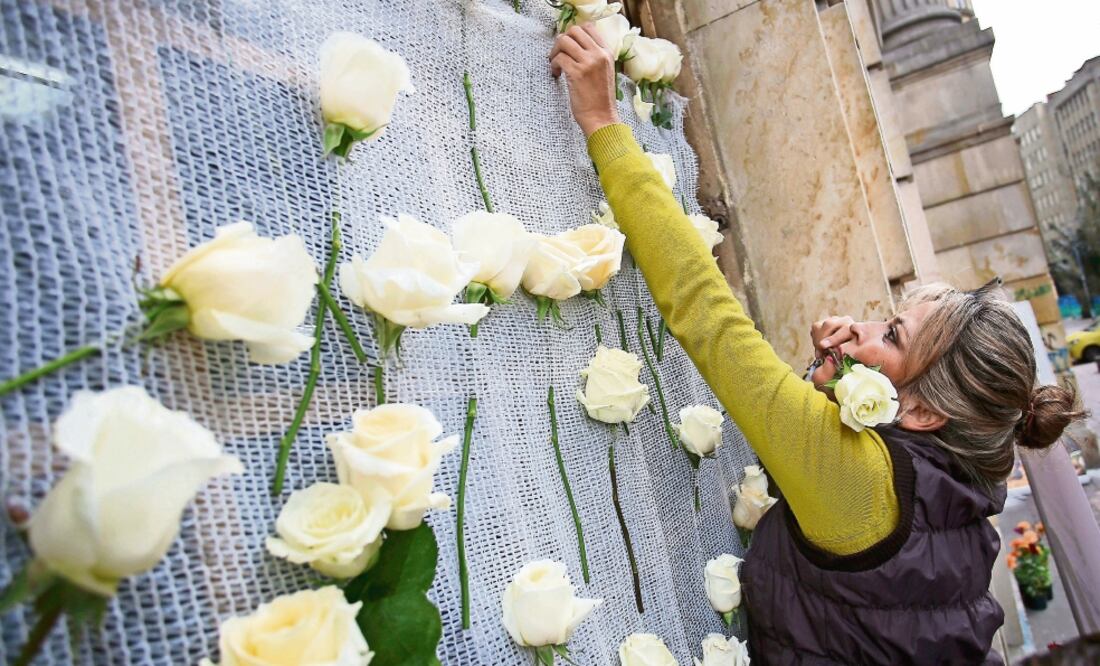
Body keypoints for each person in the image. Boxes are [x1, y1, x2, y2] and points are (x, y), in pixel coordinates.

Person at [549, 24, 1084, 665]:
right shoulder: (957, 494)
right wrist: (830, 391)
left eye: (891, 336)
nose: (858, 327)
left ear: (924, 413)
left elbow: (709, 316)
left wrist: (603, 119)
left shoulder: (861, 484)